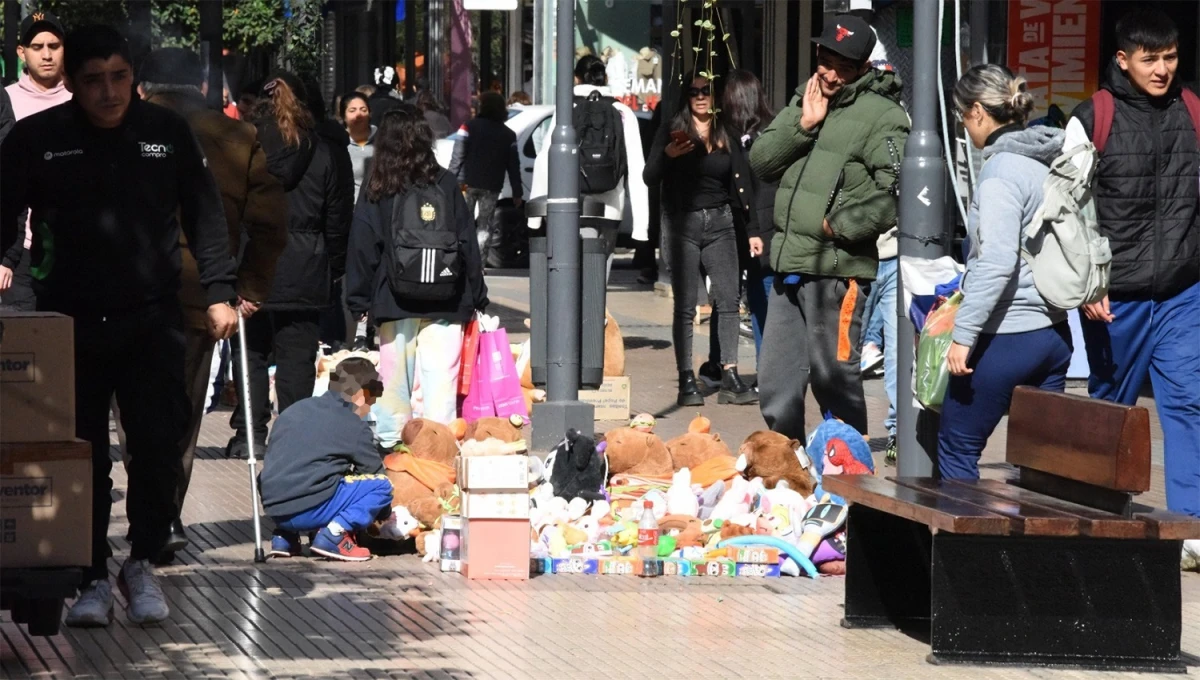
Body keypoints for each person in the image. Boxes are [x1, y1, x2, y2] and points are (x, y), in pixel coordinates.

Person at [0, 25, 239, 626]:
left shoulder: (165, 133)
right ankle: (90, 576)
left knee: (158, 444)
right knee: (83, 455)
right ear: (73, 85)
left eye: (119, 78)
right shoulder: (36, 139)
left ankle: (142, 561)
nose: (108, 92)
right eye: (93, 81)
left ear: (134, 77)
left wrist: (220, 292)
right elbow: (2, 215)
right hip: (69, 320)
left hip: (151, 317)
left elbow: (206, 212)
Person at [136, 47, 288, 563]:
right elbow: (269, 224)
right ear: (201, 85)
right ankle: (165, 514)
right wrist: (248, 288)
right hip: (201, 293)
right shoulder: (238, 136)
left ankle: (148, 514)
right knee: (180, 406)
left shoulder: (123, 126)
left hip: (126, 290)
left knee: (131, 409)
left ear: (142, 84)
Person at [1064, 12, 1200, 529]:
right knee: (1112, 408)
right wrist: (1088, 283)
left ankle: (1191, 527)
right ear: (1123, 60)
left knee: (1189, 404)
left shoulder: (1192, 110)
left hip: (1182, 291)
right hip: (1115, 295)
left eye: (1170, 57)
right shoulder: (1092, 116)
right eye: (1151, 60)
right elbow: (1066, 211)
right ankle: (1101, 518)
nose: (1163, 68)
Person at [749, 14, 909, 440]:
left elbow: (896, 193)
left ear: (861, 68)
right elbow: (762, 161)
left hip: (837, 270)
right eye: (824, 58)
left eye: (841, 64)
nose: (828, 71)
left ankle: (847, 477)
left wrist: (840, 225)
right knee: (777, 384)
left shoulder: (883, 115)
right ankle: (787, 473)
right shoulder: (808, 95)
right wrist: (803, 126)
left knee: (833, 380)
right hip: (789, 264)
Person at [937, 65, 1071, 480]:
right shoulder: (1047, 161)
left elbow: (996, 262)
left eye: (962, 115)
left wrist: (964, 336)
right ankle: (1041, 546)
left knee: (957, 449)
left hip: (1007, 335)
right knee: (1041, 464)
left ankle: (966, 548)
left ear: (978, 112)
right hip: (1054, 333)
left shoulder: (1000, 174)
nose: (963, 126)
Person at [346, 110, 487, 446]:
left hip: (395, 301)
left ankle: (394, 448)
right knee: (442, 386)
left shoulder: (379, 186)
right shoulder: (447, 183)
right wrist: (477, 295)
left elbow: (363, 244)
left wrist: (358, 300)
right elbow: (467, 242)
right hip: (448, 300)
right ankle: (438, 451)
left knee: (394, 386)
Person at [229, 73, 350, 460]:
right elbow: (338, 217)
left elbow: (227, 208)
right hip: (305, 263)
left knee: (250, 353)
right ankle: (293, 438)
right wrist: (333, 265)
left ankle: (249, 434)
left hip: (251, 263)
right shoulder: (326, 151)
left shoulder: (243, 146)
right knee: (297, 356)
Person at [644, 75, 756, 407]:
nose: (700, 97)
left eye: (706, 91)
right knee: (685, 305)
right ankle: (686, 379)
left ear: (715, 96)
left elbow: (742, 185)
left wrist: (752, 230)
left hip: (721, 222)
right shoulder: (671, 129)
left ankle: (730, 375)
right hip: (682, 223)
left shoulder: (726, 133)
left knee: (728, 299)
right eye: (693, 92)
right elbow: (650, 176)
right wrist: (667, 155)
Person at [259, 357, 393, 561]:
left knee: (308, 472)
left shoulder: (293, 411)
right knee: (381, 486)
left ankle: (284, 537)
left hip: (276, 509)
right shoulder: (353, 424)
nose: (370, 407)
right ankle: (334, 535)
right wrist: (382, 514)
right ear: (359, 395)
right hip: (311, 507)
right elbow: (372, 471)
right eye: (371, 399)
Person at [529, 55, 649, 280]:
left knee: (570, 277)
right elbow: (637, 167)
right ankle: (594, 314)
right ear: (606, 78)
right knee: (598, 281)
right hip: (610, 207)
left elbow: (545, 158)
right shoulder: (623, 112)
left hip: (571, 206)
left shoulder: (566, 110)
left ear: (576, 78)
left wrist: (535, 217)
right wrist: (641, 227)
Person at [1, 9, 71, 312]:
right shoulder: (5, 101)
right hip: (19, 258)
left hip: (76, 252)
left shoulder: (81, 101)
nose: (46, 55)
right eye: (37, 47)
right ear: (21, 52)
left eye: (54, 46)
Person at [721, 69, 777, 380]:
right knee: (760, 300)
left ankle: (767, 373)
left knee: (762, 302)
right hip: (765, 233)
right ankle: (767, 371)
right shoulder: (769, 133)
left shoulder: (751, 142)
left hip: (762, 235)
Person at [448, 91, 523, 267]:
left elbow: (457, 156)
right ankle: (479, 264)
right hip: (492, 185)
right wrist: (517, 192)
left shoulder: (468, 127)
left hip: (465, 184)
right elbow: (513, 166)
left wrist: (449, 181)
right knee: (484, 225)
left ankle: (461, 261)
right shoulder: (508, 135)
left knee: (462, 221)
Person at [342, 92, 375, 200]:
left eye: (363, 110)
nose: (358, 115)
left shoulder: (382, 139)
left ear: (370, 114)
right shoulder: (339, 143)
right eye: (352, 110)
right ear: (343, 116)